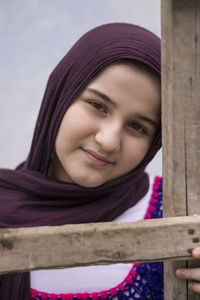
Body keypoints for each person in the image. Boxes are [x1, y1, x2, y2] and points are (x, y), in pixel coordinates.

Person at [0, 23, 200, 300]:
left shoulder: (180, 213)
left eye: (138, 127)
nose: (108, 140)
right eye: (98, 105)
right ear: (61, 95)